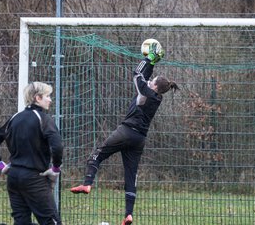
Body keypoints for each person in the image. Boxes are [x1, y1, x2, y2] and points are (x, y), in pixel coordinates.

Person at [70, 42, 179, 225]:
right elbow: (146, 76)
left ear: (153, 87)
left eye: (151, 81)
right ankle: (128, 214)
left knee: (98, 154)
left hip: (126, 131)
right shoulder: (157, 97)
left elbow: (137, 74)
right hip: (140, 139)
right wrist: (152, 64)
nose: (149, 81)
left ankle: (87, 184)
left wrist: (148, 59)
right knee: (130, 176)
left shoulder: (145, 92)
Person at [0, 81, 64, 225]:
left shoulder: (14, 119)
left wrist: (2, 166)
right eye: (48, 96)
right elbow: (57, 147)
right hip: (35, 179)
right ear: (37, 98)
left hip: (13, 178)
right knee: (51, 222)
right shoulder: (44, 120)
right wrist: (55, 169)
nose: (50, 100)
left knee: (22, 222)